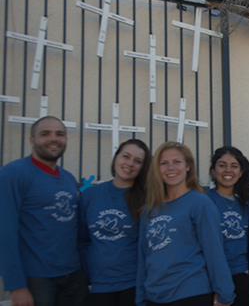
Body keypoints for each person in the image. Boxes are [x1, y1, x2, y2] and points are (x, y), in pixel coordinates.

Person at [0, 115, 89, 306]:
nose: (54, 139)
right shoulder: (13, 174)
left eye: (60, 134)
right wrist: (16, 286)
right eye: (45, 134)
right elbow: (5, 230)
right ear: (32, 141)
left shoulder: (68, 178)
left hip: (72, 275)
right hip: (36, 278)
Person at [135, 142, 235, 306]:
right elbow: (143, 257)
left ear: (188, 166)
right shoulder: (149, 210)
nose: (170, 167)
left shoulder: (200, 204)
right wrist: (140, 298)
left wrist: (226, 293)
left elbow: (214, 251)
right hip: (154, 296)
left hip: (191, 294)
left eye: (177, 162)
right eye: (164, 163)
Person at [79, 139, 152, 306]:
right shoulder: (90, 195)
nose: (130, 164)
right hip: (99, 286)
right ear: (116, 158)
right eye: (126, 156)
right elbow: (82, 240)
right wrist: (89, 272)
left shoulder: (146, 199)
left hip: (133, 285)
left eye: (138, 161)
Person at [205, 146, 249, 306]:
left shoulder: (244, 204)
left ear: (240, 172)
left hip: (241, 278)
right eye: (222, 165)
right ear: (213, 170)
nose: (228, 170)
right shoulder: (203, 201)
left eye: (234, 166)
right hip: (213, 279)